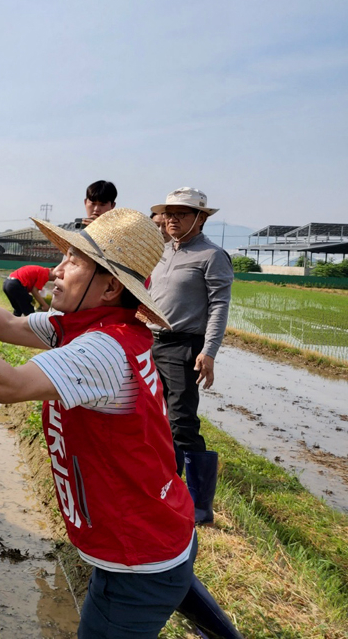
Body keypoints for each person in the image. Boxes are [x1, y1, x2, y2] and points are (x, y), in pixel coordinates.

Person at [0, 209, 197, 638]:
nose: (56, 272)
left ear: (110, 287)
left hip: (139, 559)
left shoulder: (103, 350)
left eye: (73, 263)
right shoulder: (90, 326)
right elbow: (7, 325)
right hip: (145, 533)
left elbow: (8, 385)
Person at [148, 188, 233, 525]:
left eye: (181, 214)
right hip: (151, 342)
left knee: (182, 421)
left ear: (200, 218)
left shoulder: (212, 255)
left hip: (183, 346)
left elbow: (219, 306)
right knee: (153, 416)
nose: (172, 219)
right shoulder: (162, 251)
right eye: (169, 213)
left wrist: (208, 352)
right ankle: (163, 488)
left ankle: (199, 506)